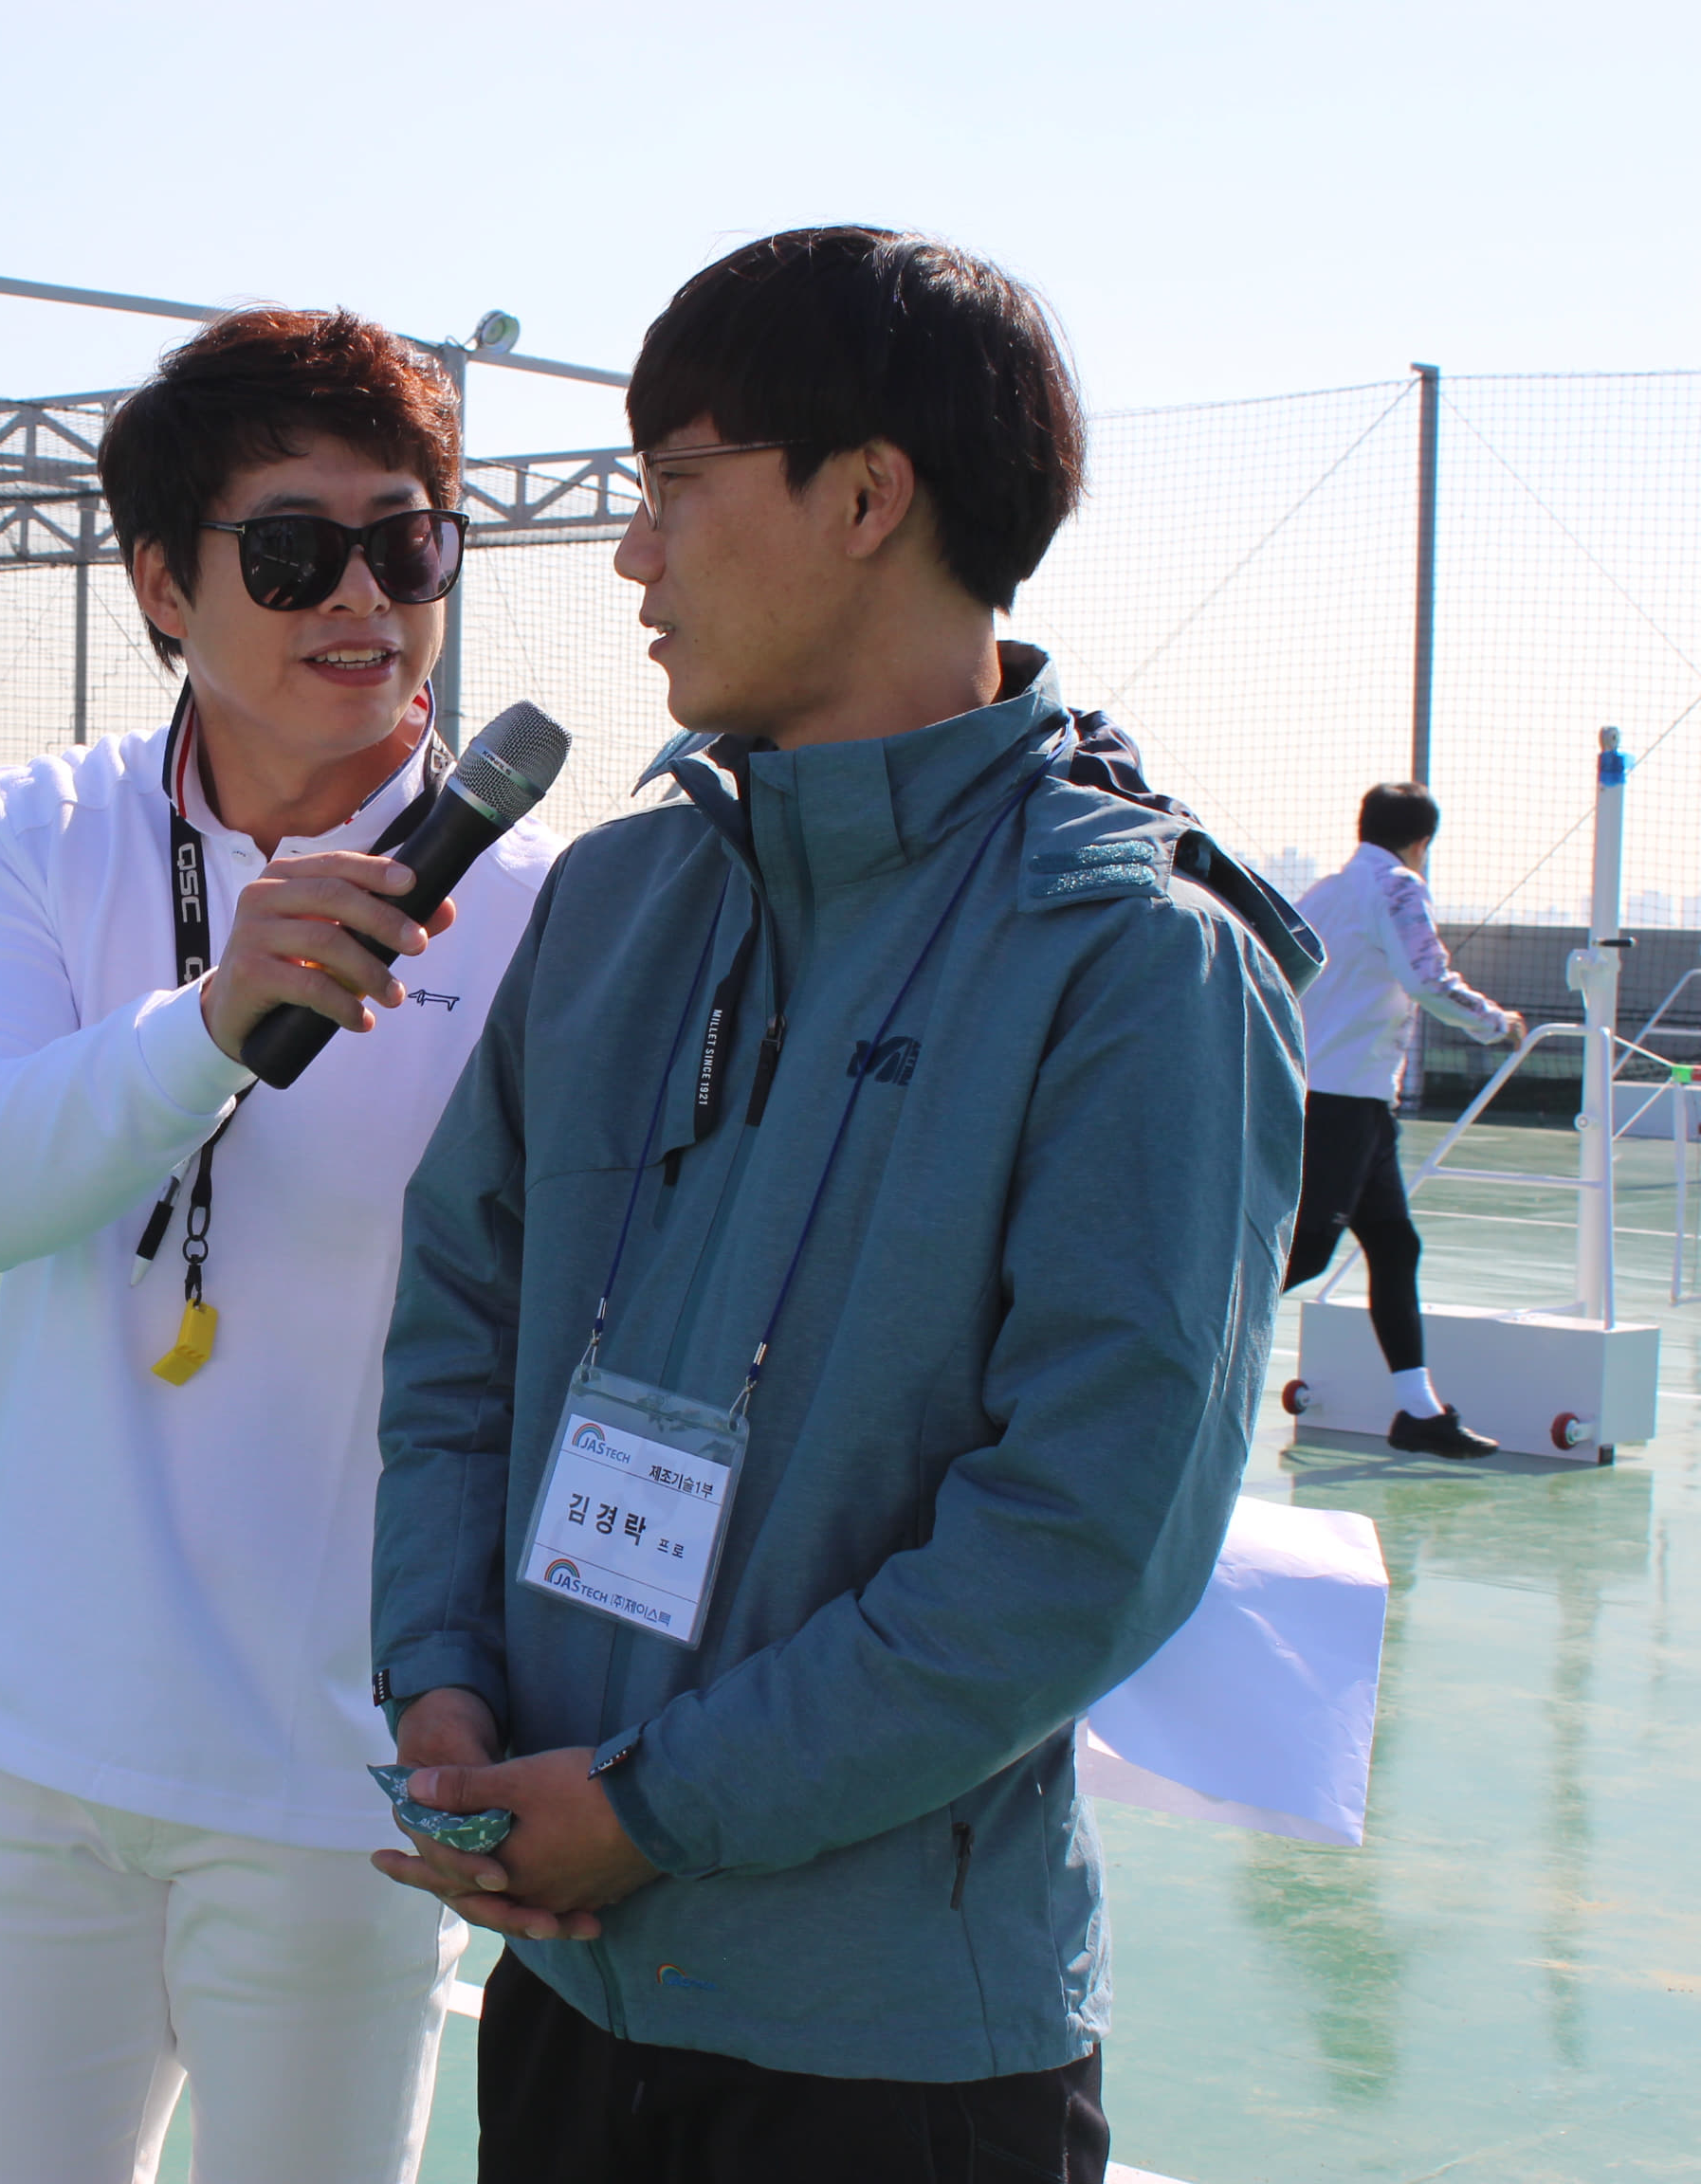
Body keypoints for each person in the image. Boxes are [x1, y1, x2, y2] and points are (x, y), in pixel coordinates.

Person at [371, 229, 1314, 2182]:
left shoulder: (1135, 960)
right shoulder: (618, 901)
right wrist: (440, 1678)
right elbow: (461, 1319)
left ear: (869, 496)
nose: (631, 557)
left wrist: (657, 1802)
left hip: (890, 2055)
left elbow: (1077, 1541)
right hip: (569, 1992)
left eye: (674, 486)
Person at [0, 307, 553, 2184]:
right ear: (163, 584)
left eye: (406, 543)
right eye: (291, 549)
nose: (362, 597)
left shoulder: (540, 907)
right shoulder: (36, 832)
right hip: (41, 1745)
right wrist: (208, 1018)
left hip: (339, 1784)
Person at [1282, 782, 1519, 1457]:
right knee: (1305, 1253)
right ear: (1422, 843)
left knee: (1394, 1245)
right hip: (1343, 1103)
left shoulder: (1323, 894)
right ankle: (1158, 1350)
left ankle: (1420, 1412)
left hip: (1342, 1098)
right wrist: (1496, 1024)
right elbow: (1425, 979)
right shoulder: (1398, 887)